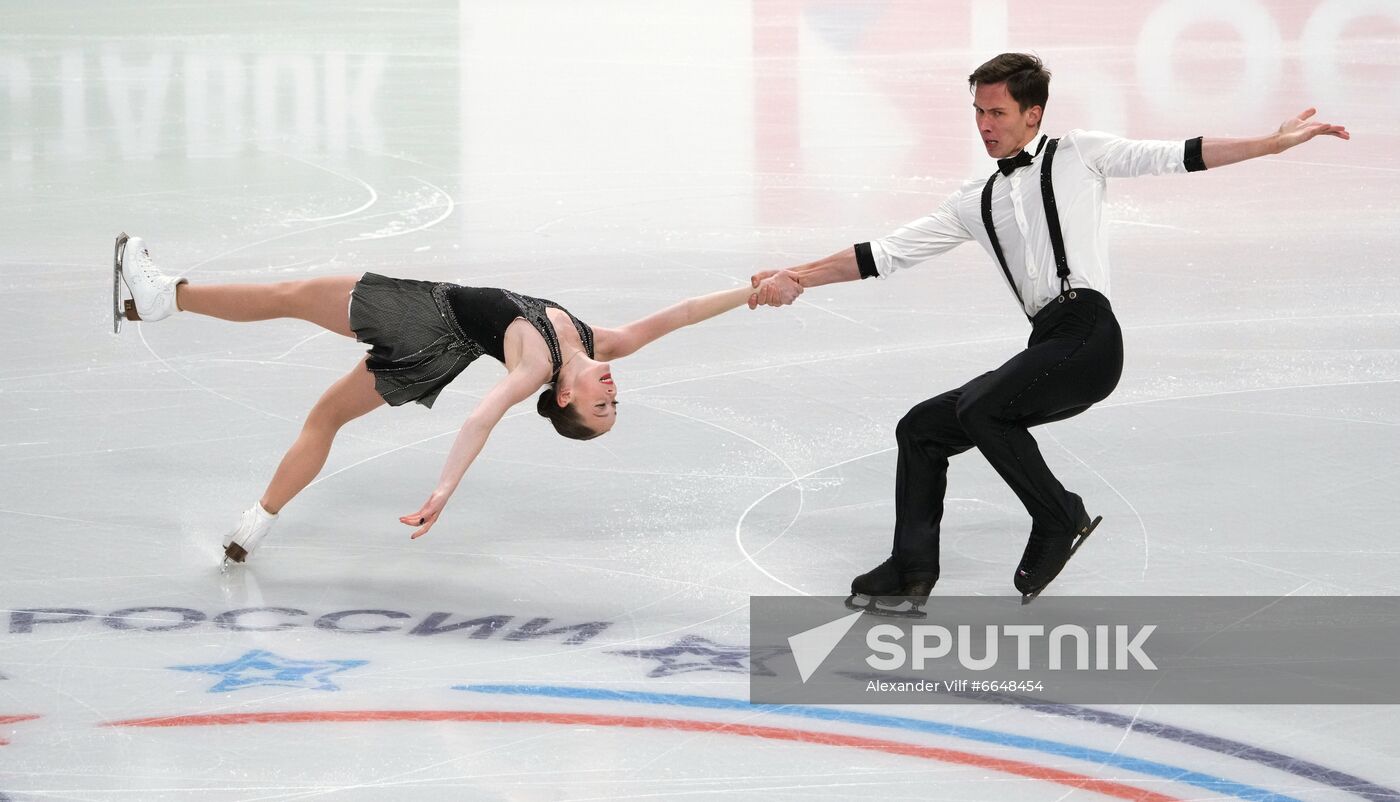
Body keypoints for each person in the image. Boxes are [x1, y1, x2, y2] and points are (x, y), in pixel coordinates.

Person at [748, 53, 1349, 612]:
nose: (985, 125)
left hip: (1088, 337)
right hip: (1047, 345)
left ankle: (1060, 517)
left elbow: (1177, 154)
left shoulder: (1079, 153)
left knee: (983, 408)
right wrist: (794, 275)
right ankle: (911, 571)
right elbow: (883, 253)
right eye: (978, 113)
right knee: (923, 428)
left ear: (1032, 114)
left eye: (997, 112)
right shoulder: (975, 200)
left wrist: (1270, 144)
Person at [111, 233, 761, 564]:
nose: (611, 396)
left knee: (290, 296)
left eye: (599, 408)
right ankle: (255, 524)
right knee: (328, 417)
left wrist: (445, 491)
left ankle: (163, 297)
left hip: (423, 318)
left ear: (564, 397)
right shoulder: (602, 341)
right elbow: (682, 313)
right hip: (436, 353)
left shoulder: (537, 363)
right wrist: (753, 292)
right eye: (612, 406)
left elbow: (482, 416)